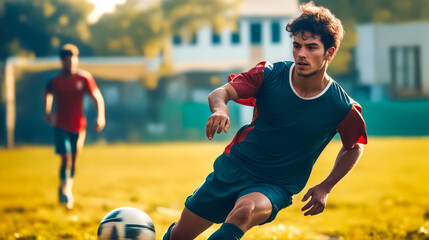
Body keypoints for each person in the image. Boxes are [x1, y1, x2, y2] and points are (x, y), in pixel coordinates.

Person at [162, 1, 367, 240]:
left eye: (311, 47)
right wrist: (220, 110)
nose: (301, 54)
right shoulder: (269, 74)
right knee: (179, 236)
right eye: (297, 46)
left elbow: (354, 147)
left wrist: (326, 186)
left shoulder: (341, 105)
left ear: (329, 52)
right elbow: (220, 93)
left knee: (244, 212)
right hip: (234, 167)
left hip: (276, 185)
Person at [44, 43, 105, 210]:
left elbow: (97, 97)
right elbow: (48, 93)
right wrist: (48, 110)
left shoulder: (84, 78)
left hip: (79, 126)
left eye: (73, 60)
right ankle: (66, 191)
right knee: (66, 157)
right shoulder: (55, 80)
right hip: (61, 125)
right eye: (67, 61)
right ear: (62, 62)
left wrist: (100, 116)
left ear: (76, 61)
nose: (70, 64)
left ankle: (65, 186)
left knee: (75, 160)